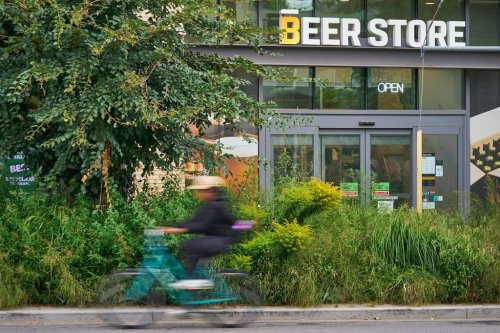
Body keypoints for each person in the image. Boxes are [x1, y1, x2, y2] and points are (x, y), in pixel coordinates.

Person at [157, 175, 237, 290]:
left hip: (222, 240)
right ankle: (196, 278)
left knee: (191, 245)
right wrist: (170, 227)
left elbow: (203, 226)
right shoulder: (208, 205)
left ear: (210, 191)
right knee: (191, 245)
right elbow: (193, 221)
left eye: (201, 191)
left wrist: (180, 230)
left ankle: (193, 280)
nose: (198, 193)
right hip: (215, 239)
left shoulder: (217, 206)